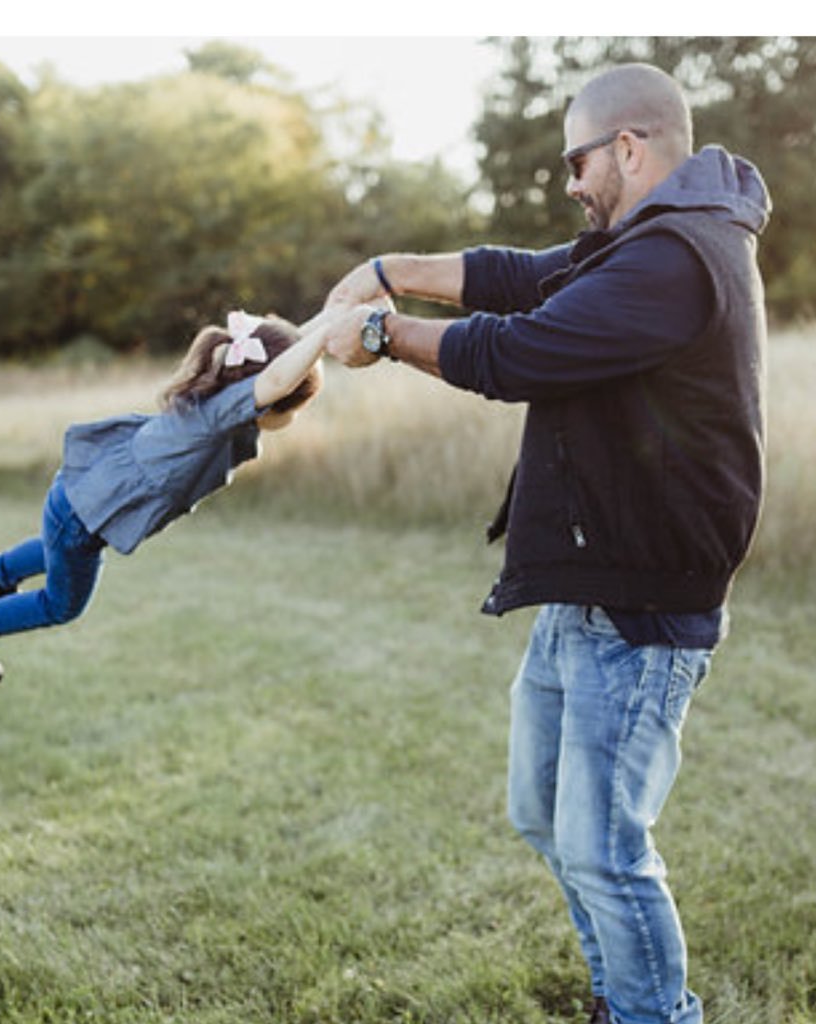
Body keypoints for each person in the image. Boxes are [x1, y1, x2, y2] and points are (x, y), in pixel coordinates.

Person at [320, 62, 771, 1024]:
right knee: (545, 817)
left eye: (577, 161)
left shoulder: (675, 259)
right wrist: (393, 272)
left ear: (628, 147)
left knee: (606, 848)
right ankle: (621, 1000)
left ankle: (656, 1016)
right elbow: (519, 276)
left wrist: (383, 333)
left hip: (643, 608)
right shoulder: (638, 242)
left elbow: (516, 353)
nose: (569, 183)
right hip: (585, 588)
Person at [0, 310, 329, 688]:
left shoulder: (222, 401)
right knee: (62, 604)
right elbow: (280, 376)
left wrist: (344, 315)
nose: (296, 417)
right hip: (81, 515)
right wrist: (333, 329)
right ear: (273, 400)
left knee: (59, 547)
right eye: (296, 409)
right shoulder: (218, 418)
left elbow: (284, 360)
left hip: (79, 500)